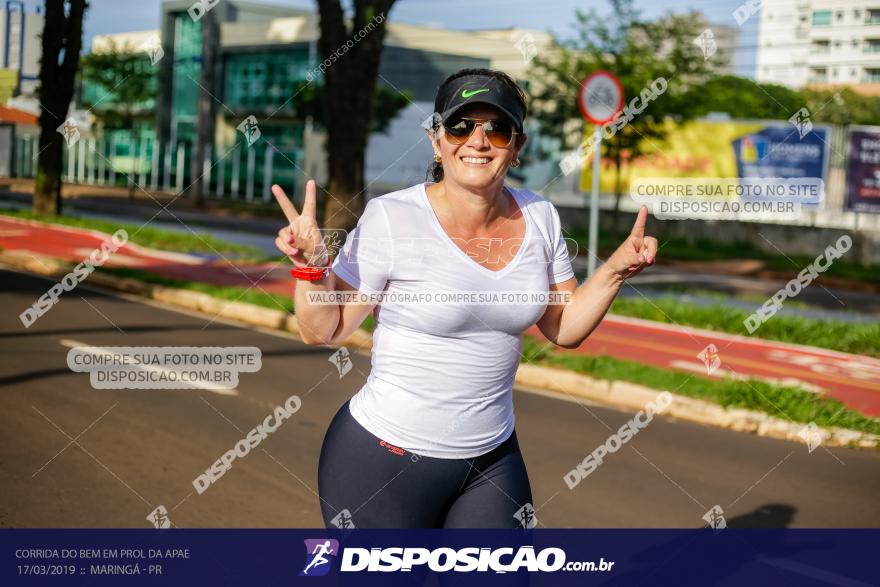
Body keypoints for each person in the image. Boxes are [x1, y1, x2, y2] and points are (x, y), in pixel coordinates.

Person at [271, 68, 658, 528]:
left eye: (497, 128)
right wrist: (313, 266)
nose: (478, 140)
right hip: (383, 457)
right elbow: (323, 329)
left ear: (516, 147)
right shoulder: (392, 218)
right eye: (461, 125)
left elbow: (565, 327)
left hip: (491, 460)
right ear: (437, 140)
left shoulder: (540, 217)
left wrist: (615, 270)